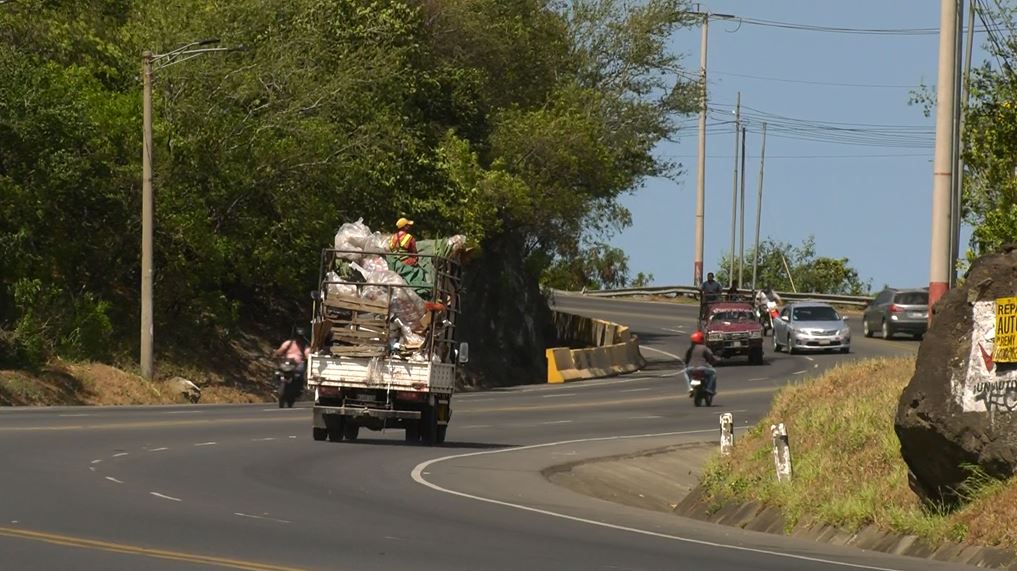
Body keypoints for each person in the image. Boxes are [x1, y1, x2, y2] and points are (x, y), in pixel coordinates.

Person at [683, 330, 719, 396]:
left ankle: (690, 388)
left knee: (685, 373)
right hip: (702, 368)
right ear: (701, 339)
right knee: (713, 373)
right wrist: (715, 360)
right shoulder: (704, 348)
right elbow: (710, 357)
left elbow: (686, 359)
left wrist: (686, 364)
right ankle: (709, 389)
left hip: (691, 369)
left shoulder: (690, 349)